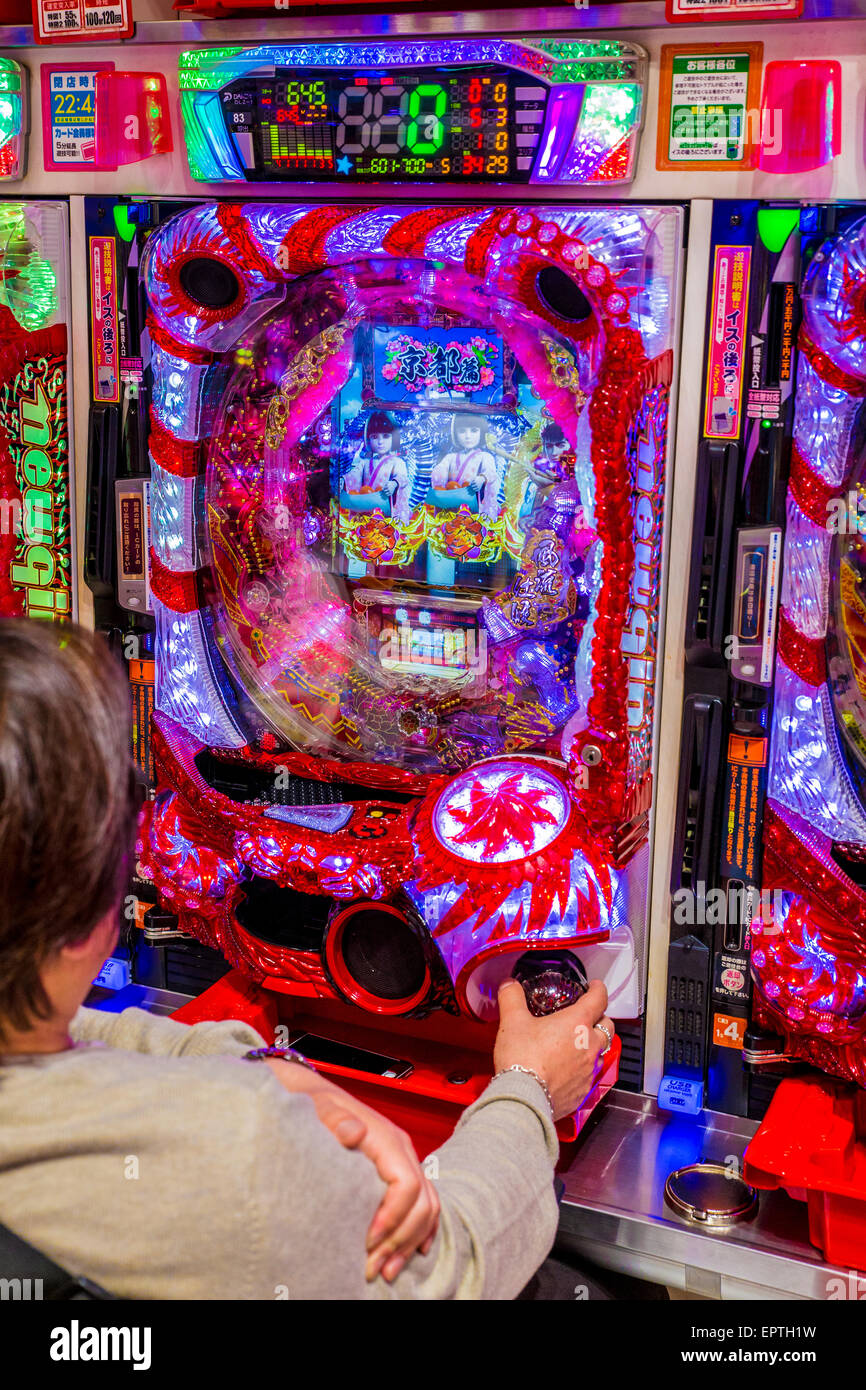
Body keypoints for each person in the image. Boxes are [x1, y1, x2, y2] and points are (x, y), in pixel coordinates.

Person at [0, 619, 615, 1300]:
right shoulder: (242, 1148)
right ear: (93, 907)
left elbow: (79, 1034)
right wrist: (530, 1086)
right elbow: (454, 1268)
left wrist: (260, 1067)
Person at [341, 411, 411, 522]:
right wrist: (344, 480)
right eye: (374, 437)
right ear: (368, 440)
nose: (380, 442)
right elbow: (354, 475)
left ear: (394, 438)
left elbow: (403, 477)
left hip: (387, 510)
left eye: (386, 436)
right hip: (367, 506)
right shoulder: (365, 462)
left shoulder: (397, 462)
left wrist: (395, 483)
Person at [430, 413, 500, 521]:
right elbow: (440, 469)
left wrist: (482, 478)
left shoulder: (485, 456)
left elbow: (491, 472)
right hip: (451, 502)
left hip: (473, 506)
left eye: (474, 430)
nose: (468, 436)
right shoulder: (450, 457)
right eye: (462, 431)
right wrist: (439, 474)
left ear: (482, 433)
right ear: (455, 433)